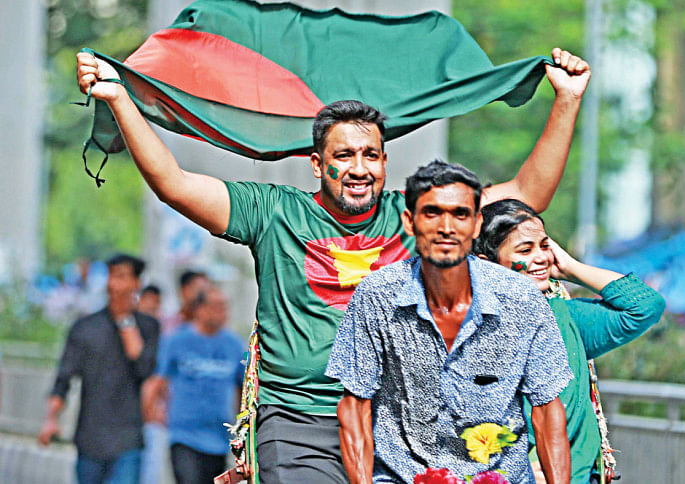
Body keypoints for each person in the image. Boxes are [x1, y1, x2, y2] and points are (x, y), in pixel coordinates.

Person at [76, 45, 591, 483]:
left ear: (385, 163)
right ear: (318, 164)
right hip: (299, 422)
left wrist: (567, 100)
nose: (358, 168)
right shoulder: (273, 212)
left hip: (397, 427)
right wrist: (120, 98)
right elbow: (174, 184)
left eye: (370, 155)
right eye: (343, 156)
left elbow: (526, 194)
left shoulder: (416, 218)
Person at [327, 161, 573, 484]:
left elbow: (547, 410)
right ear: (410, 222)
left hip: (499, 476)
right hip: (403, 477)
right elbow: (354, 407)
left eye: (460, 214)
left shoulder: (522, 298)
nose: (446, 227)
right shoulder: (377, 296)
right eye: (432, 213)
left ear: (476, 224)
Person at [472, 199, 665, 484]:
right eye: (525, 250)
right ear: (487, 264)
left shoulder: (565, 317)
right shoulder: (469, 329)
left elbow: (645, 306)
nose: (541, 257)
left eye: (544, 246)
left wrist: (570, 267)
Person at [39, 253, 160, 484]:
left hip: (128, 441)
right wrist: (51, 418)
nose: (114, 283)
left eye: (122, 276)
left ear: (136, 283)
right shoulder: (84, 328)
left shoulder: (149, 327)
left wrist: (125, 320)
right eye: (111, 276)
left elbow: (144, 368)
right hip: (90, 441)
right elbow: (63, 379)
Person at [143, 286, 245, 484]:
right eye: (215, 306)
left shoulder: (234, 344)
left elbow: (242, 389)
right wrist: (152, 414)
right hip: (184, 437)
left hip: (218, 440)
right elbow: (156, 381)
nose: (221, 312)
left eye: (224, 307)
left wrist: (242, 427)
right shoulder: (177, 341)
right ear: (200, 309)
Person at [140, 271, 208, 484]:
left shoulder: (212, 333)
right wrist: (152, 407)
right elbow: (156, 371)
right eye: (199, 289)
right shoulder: (166, 326)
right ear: (184, 291)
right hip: (163, 418)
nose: (203, 295)